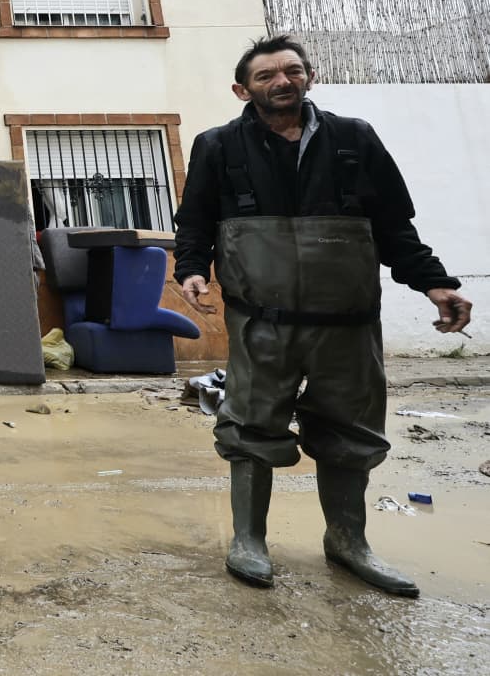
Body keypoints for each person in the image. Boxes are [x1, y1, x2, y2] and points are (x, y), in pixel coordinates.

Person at [174, 34, 472, 596]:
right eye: (266, 76)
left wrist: (435, 284)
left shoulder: (353, 139)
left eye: (291, 71)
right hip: (261, 321)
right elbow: (196, 221)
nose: (281, 81)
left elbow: (392, 228)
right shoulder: (217, 146)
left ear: (309, 76)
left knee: (351, 431)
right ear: (244, 88)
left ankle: (348, 541)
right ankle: (249, 540)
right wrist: (190, 268)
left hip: (348, 322)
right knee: (250, 424)